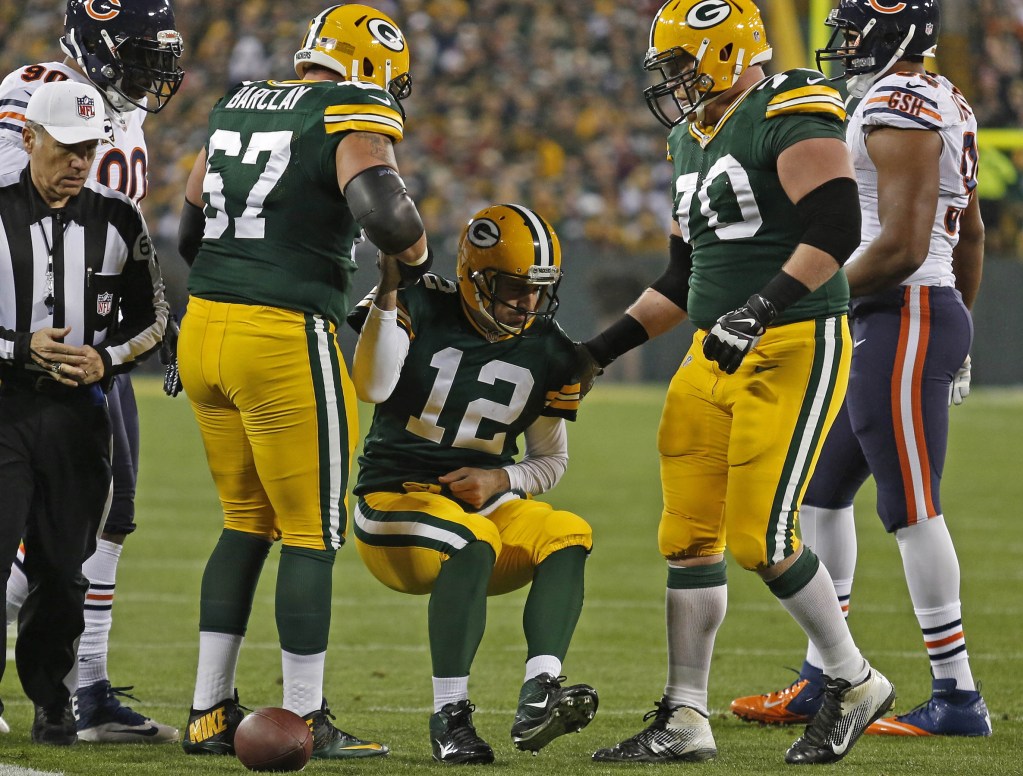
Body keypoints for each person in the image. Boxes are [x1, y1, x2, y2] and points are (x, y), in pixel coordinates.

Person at [577, 0, 895, 766]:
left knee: (761, 536)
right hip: (711, 349)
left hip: (791, 340)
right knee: (686, 536)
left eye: (682, 64)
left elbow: (837, 226)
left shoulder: (785, 106)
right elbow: (681, 278)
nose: (674, 82)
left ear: (725, 51)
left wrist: (761, 308)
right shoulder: (689, 136)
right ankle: (686, 715)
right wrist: (596, 352)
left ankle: (854, 680)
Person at [175, 4, 431, 760]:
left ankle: (207, 711)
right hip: (279, 334)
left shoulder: (237, 103)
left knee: (243, 521)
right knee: (311, 533)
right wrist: (415, 263)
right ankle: (306, 714)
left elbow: (188, 233)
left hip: (204, 328)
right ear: (371, 67)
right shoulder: (349, 110)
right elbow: (388, 217)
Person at [730, 0, 990, 738]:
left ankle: (958, 696)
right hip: (900, 314)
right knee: (821, 491)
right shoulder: (943, 97)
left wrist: (807, 294)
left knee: (911, 507)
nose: (841, 45)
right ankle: (827, 676)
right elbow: (970, 231)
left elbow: (904, 247)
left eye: (851, 33)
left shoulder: (897, 102)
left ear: (891, 33)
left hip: (902, 312)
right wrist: (961, 329)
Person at [347, 203, 598, 764]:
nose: (527, 302)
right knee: (471, 539)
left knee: (568, 534)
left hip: (477, 507)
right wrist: (387, 293)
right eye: (514, 286)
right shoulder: (420, 303)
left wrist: (502, 477)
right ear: (474, 275)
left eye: (538, 289)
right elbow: (371, 386)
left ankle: (540, 692)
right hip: (394, 499)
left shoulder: (550, 347)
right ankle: (450, 716)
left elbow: (550, 460)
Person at [0, 0, 184, 743]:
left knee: (105, 521)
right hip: (18, 362)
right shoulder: (35, 91)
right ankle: (77, 688)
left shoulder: (119, 112)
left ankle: (87, 690)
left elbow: (125, 249)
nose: (149, 72)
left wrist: (119, 346)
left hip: (94, 358)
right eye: (137, 54)